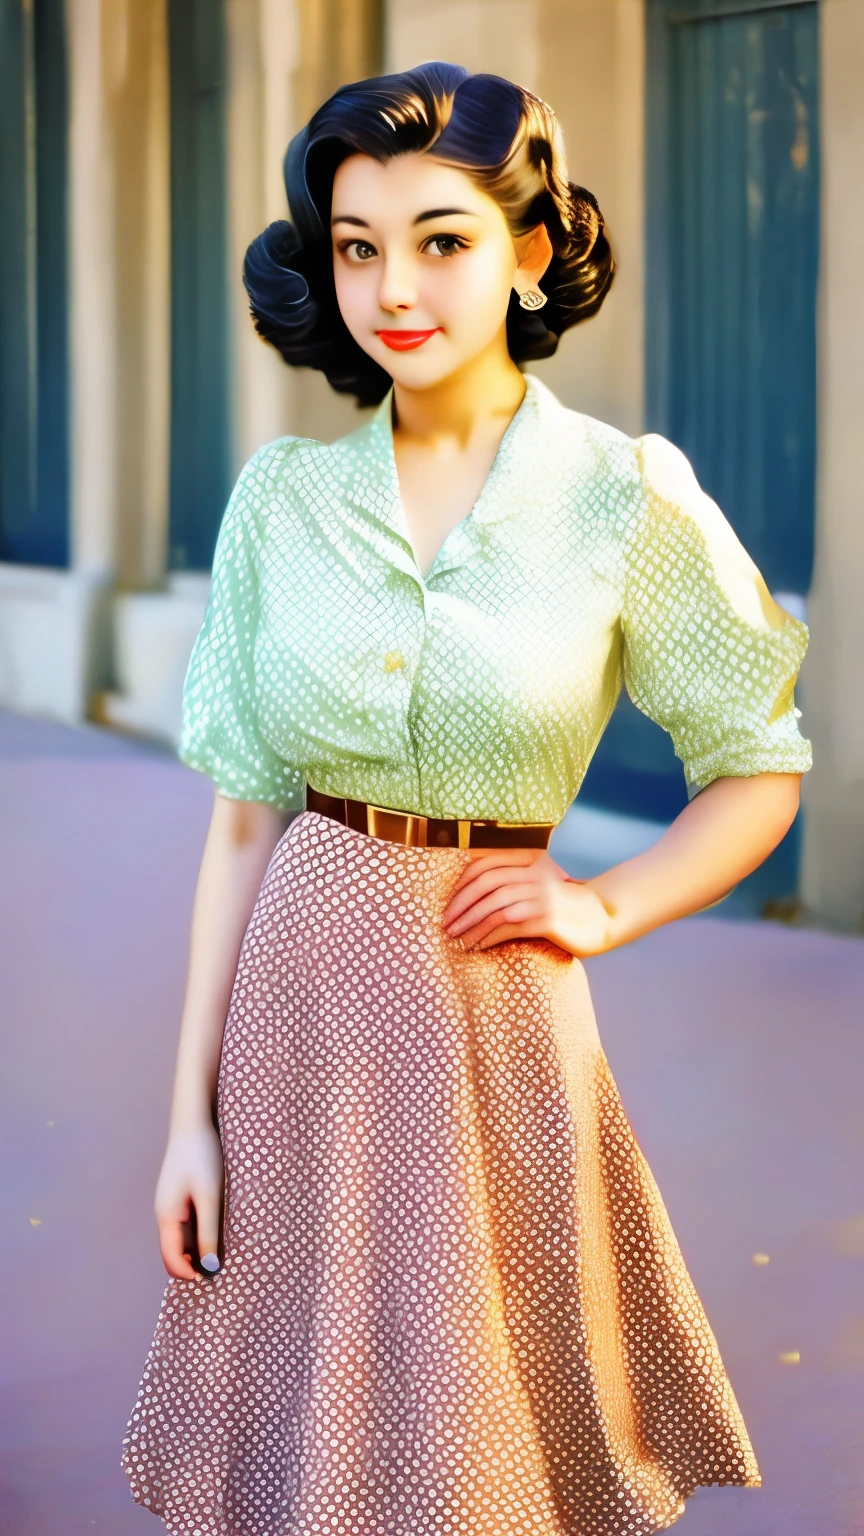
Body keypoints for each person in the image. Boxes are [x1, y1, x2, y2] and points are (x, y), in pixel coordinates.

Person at [121, 62, 812, 1536]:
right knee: (308, 1434)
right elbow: (245, 818)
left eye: (442, 238)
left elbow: (761, 764)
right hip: (297, 1010)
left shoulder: (624, 499)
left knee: (475, 1429)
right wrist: (187, 1117)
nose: (394, 287)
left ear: (534, 250)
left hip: (496, 1014)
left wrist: (607, 903)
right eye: (359, 245)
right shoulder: (282, 502)